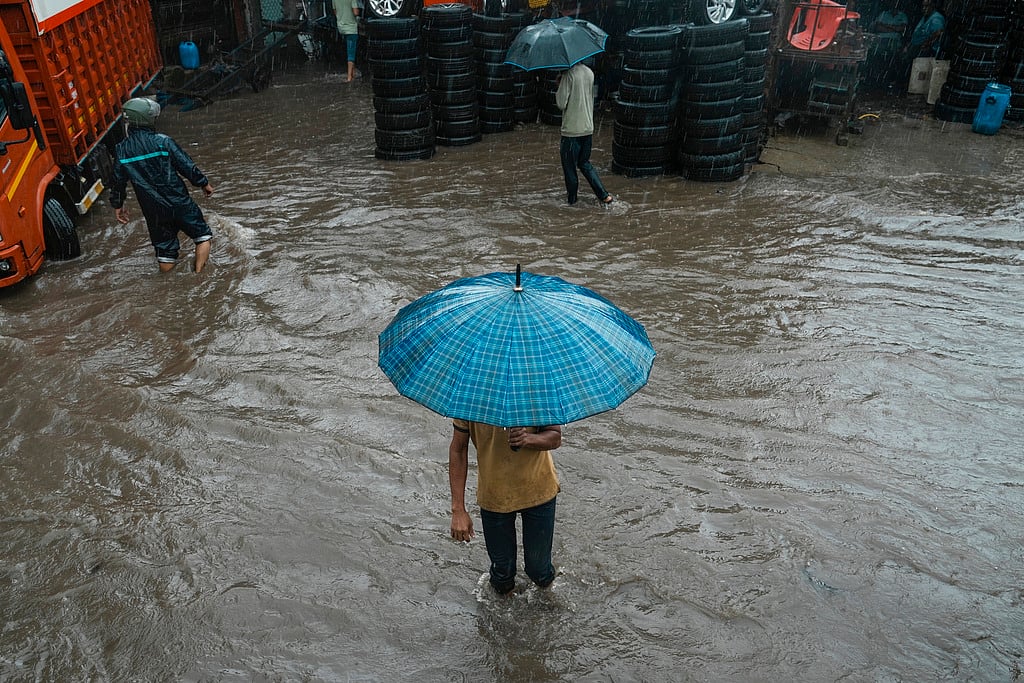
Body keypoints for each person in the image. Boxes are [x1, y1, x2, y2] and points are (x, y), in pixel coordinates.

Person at [448, 420, 563, 595]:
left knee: (539, 571)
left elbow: (555, 438)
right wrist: (458, 509)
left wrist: (527, 439)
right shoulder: (470, 398)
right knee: (502, 575)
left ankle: (548, 607)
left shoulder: (534, 393)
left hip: (539, 490)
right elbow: (458, 449)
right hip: (494, 495)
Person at [109, 98, 215, 274]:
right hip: (180, 202)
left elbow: (117, 182)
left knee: (165, 253)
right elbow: (186, 165)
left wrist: (118, 205)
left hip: (154, 211)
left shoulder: (122, 150)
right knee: (202, 237)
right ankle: (198, 276)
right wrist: (203, 183)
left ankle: (169, 286)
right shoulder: (163, 141)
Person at [555, 61, 613, 206]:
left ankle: (572, 202)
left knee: (570, 169)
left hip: (572, 130)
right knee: (584, 163)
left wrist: (560, 85)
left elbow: (561, 103)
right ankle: (604, 195)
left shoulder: (568, 75)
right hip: (587, 128)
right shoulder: (589, 72)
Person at [866, 0, 909, 87]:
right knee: (874, 53)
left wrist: (886, 26)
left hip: (894, 41)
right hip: (881, 39)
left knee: (892, 56)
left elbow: (902, 29)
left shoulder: (902, 16)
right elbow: (878, 27)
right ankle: (873, 78)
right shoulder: (883, 14)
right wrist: (894, 28)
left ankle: (889, 79)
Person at [332, 0, 361, 83]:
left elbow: (335, 12)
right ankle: (349, 77)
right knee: (351, 52)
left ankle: (353, 72)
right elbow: (355, 12)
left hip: (341, 27)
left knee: (348, 49)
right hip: (351, 28)